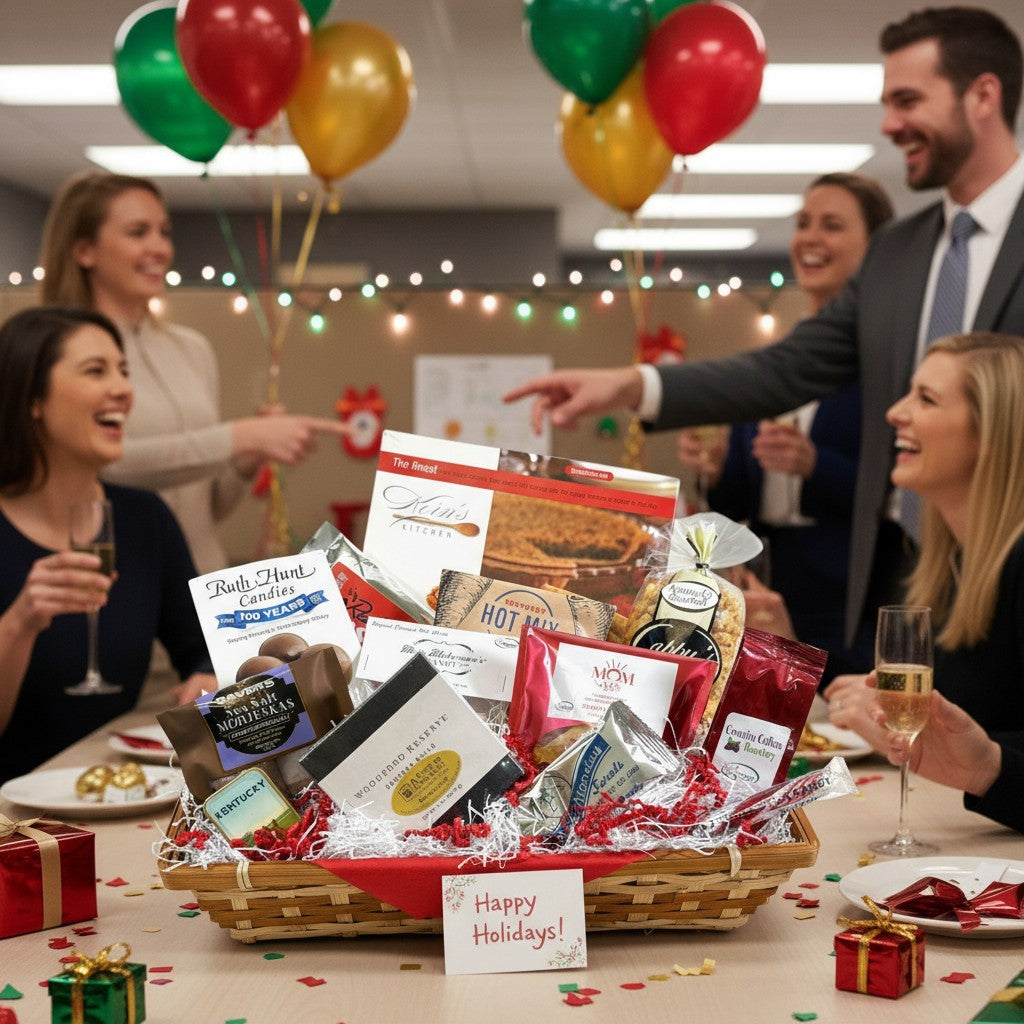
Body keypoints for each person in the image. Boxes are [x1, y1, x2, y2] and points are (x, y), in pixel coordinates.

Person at [504, 7, 1024, 661]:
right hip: (906, 574)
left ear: (983, 95)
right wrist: (633, 384)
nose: (889, 125)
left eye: (908, 100)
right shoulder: (898, 252)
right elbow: (788, 368)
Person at [39, 171, 350, 575]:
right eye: (138, 232)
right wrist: (239, 436)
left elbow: (208, 504)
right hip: (114, 581)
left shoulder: (191, 349)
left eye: (164, 232)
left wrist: (244, 458)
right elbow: (98, 469)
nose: (159, 248)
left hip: (201, 586)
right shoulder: (54, 350)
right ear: (84, 250)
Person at [678, 173, 894, 680]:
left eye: (832, 225)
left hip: (850, 590)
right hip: (772, 580)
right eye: (802, 224)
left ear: (876, 250)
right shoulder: (780, 361)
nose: (810, 238)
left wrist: (815, 465)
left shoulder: (884, 366)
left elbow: (895, 491)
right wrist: (715, 470)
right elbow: (740, 503)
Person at [0, 306, 216, 782]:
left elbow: (203, 647)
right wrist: (19, 623)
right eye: (96, 371)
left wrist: (207, 677)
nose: (122, 388)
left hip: (116, 792)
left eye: (123, 370)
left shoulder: (144, 518)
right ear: (31, 397)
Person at [826, 332, 1024, 831]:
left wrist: (989, 768)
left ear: (992, 433)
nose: (895, 411)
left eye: (926, 398)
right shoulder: (944, 560)